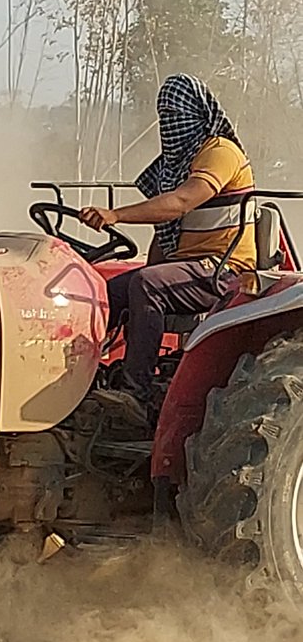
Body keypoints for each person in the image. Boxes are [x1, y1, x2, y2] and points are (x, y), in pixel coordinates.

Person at [79, 73, 256, 424]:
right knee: (104, 290)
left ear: (197, 112)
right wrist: (142, 270)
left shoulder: (220, 152)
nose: (171, 122)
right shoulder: (174, 163)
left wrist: (115, 215)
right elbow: (167, 230)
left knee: (148, 285)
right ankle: (84, 382)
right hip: (189, 265)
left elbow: (179, 204)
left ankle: (136, 393)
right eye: (165, 115)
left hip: (223, 269)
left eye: (177, 113)